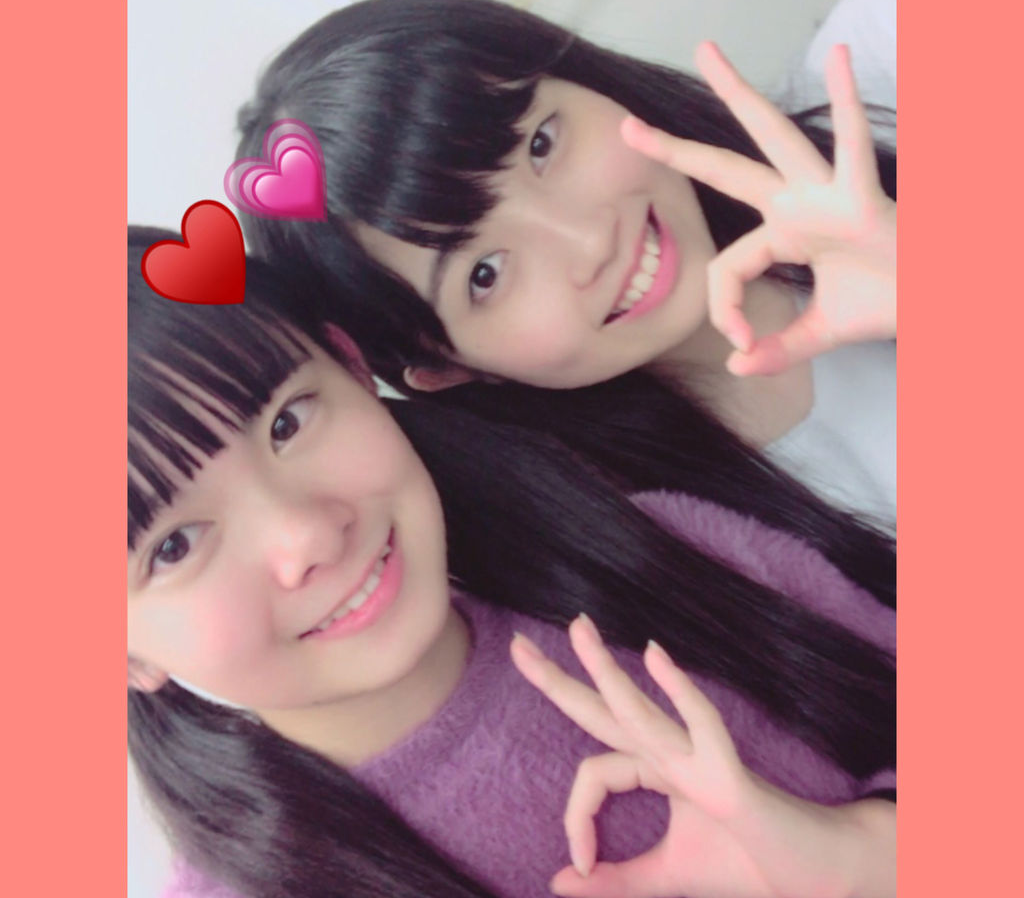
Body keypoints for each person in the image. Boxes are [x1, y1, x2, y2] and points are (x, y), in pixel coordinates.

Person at [127, 228, 895, 898]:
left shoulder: (661, 548)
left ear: (354, 371)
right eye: (173, 546)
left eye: (287, 423)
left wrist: (862, 860)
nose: (307, 537)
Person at [232, 0, 897, 608]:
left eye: (541, 145)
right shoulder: (672, 568)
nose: (587, 242)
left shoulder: (884, 61)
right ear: (449, 369)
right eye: (484, 274)